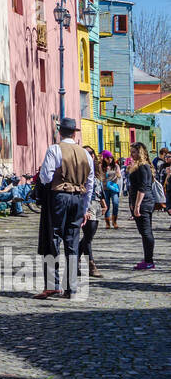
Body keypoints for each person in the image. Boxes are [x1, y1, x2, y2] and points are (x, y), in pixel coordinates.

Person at [34, 118, 93, 300]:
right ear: (74, 133)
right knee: (72, 241)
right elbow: (90, 184)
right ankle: (71, 287)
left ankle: (52, 285)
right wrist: (85, 207)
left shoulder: (55, 149)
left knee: (53, 238)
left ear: (60, 132)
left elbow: (45, 176)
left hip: (58, 197)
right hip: (78, 198)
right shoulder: (86, 154)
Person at [78, 148, 106, 279]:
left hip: (96, 204)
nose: (89, 155)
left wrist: (103, 202)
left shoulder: (97, 169)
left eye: (91, 153)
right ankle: (91, 265)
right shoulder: (79, 168)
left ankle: (75, 260)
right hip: (86, 203)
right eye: (86, 153)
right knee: (88, 236)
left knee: (89, 236)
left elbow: (99, 187)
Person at [128, 143, 157, 271]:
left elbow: (143, 187)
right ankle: (147, 259)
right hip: (142, 202)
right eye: (131, 152)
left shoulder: (143, 167)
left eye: (134, 152)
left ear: (140, 152)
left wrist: (137, 206)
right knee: (144, 232)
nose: (131, 154)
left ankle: (149, 261)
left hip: (144, 203)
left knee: (146, 232)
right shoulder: (138, 167)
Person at [101, 152, 121, 229]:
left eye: (111, 157)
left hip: (113, 188)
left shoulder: (115, 166)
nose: (110, 159)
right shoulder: (101, 166)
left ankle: (114, 221)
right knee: (107, 206)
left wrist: (118, 174)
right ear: (104, 158)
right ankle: (107, 222)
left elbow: (119, 175)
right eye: (108, 158)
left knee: (115, 203)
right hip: (105, 189)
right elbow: (100, 176)